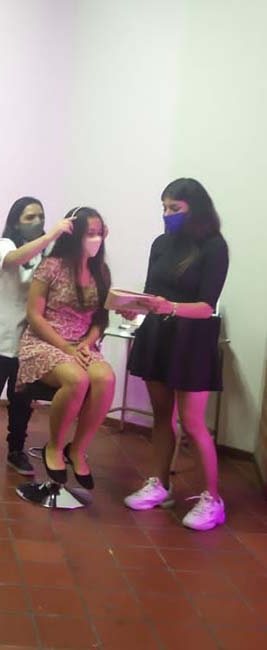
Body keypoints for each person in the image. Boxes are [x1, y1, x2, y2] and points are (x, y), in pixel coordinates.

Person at [123, 178, 229, 531]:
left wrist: (169, 306)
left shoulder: (214, 247)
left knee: (192, 422)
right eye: (164, 208)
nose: (167, 214)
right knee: (161, 417)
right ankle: (159, 484)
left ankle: (212, 499)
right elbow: (151, 294)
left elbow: (206, 306)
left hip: (192, 340)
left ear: (195, 209)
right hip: (158, 336)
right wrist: (134, 307)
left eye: (175, 208)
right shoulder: (161, 244)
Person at [0, 197, 75, 478]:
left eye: (41, 216)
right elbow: (15, 260)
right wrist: (50, 235)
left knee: (22, 402)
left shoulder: (48, 253)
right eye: (29, 217)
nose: (37, 222)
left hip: (30, 343)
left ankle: (16, 451)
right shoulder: (3, 246)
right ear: (15, 222)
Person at [17, 207, 115, 492]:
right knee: (77, 379)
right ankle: (55, 447)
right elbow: (34, 316)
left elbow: (101, 319)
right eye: (89, 233)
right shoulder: (51, 267)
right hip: (44, 341)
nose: (95, 239)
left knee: (106, 379)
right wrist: (66, 348)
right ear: (74, 235)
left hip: (82, 343)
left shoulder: (101, 271)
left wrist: (86, 343)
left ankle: (78, 449)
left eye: (99, 233)